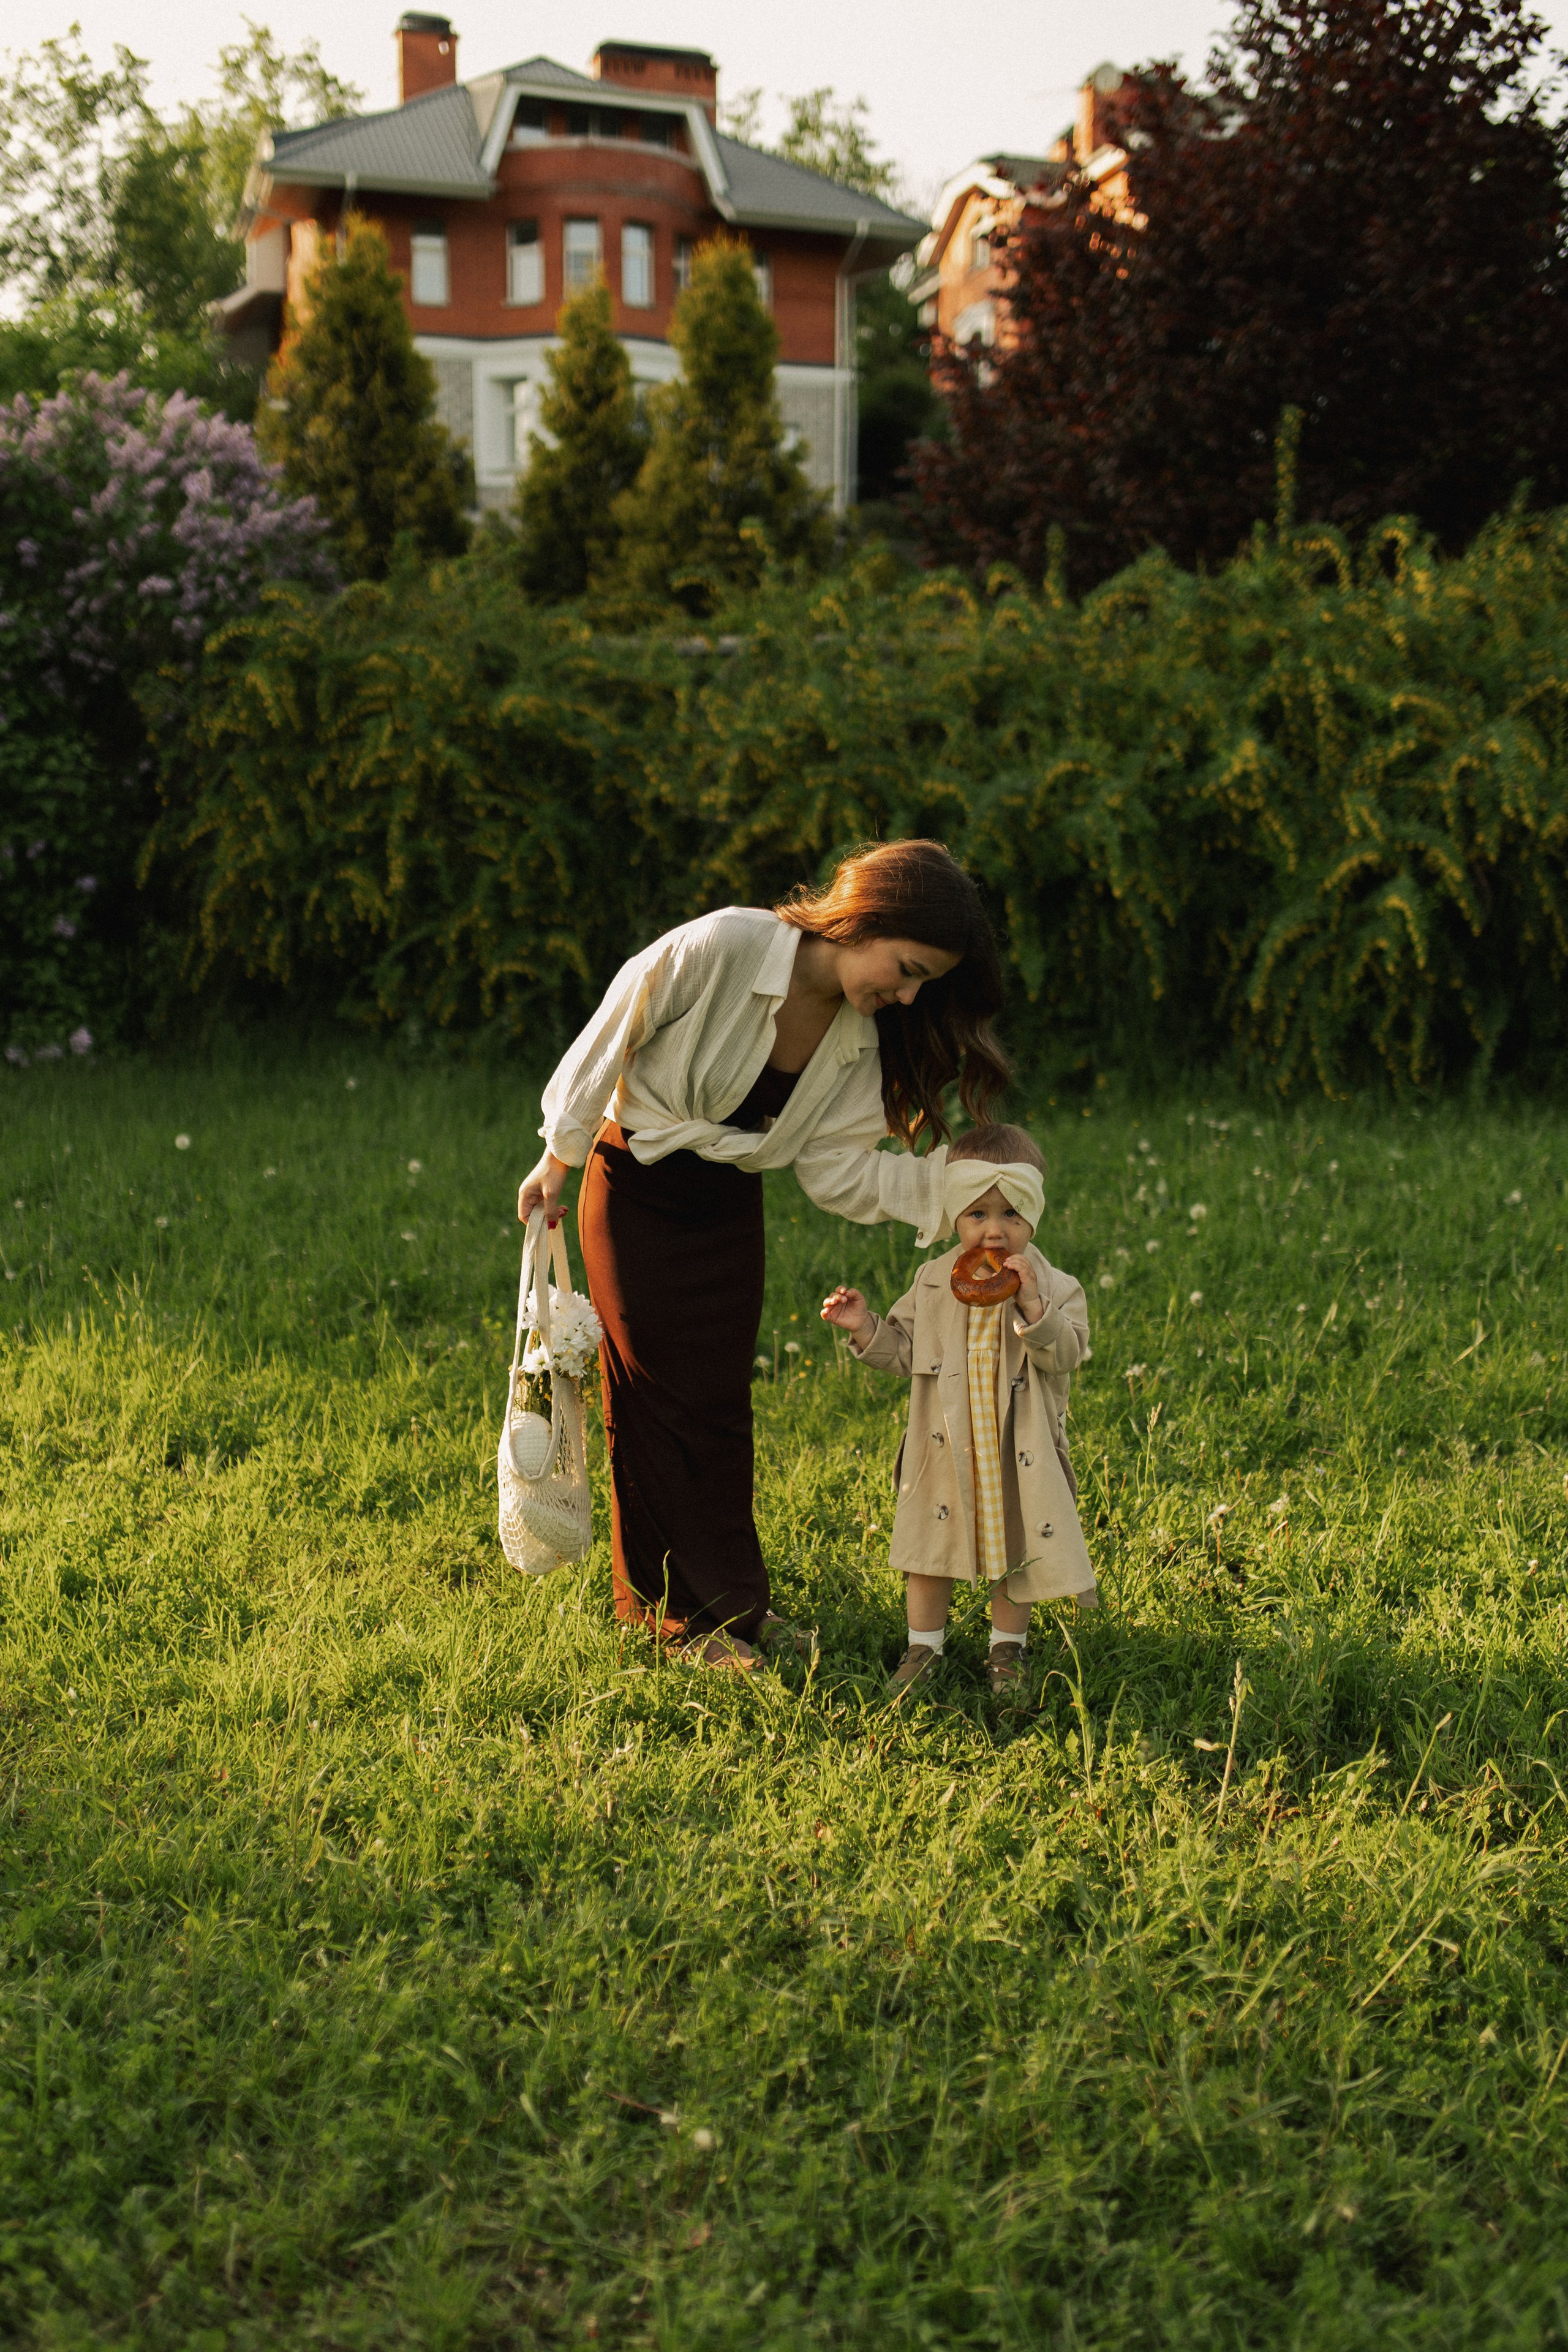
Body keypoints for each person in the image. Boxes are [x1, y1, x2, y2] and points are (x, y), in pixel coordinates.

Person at [516, 840, 1008, 1670]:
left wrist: (952, 1191)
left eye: (924, 983)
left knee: (716, 1406)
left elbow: (836, 1168)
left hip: (726, 1207)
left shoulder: (858, 1036)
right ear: (866, 918)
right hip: (634, 1187)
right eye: (908, 966)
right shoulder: (728, 945)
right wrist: (556, 1155)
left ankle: (737, 1604)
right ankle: (671, 1622)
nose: (909, 993)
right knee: (655, 1400)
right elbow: (616, 1025)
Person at [820, 1121, 1095, 1702]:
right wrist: (865, 1328)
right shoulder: (933, 1282)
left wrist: (1034, 1306)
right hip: (943, 1446)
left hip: (1015, 1451)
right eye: (977, 1215)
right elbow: (904, 1352)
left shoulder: (1054, 1286)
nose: (994, 1230)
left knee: (1018, 1549)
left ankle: (1007, 1650)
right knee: (929, 1552)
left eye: (1011, 1215)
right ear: (953, 1219)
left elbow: (1068, 1354)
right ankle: (924, 1646)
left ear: (1033, 1218)